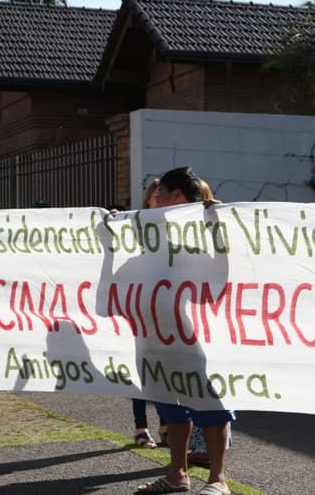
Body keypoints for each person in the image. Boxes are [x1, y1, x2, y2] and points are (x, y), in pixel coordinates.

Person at [136, 167, 234, 495]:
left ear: (177, 195)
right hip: (159, 334)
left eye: (160, 193)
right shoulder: (151, 231)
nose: (155, 199)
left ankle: (217, 480)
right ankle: (177, 475)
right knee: (170, 402)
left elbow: (226, 264)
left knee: (210, 404)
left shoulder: (209, 224)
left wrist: (216, 224)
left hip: (200, 335)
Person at [132, 178, 168, 449]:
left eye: (162, 193)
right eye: (156, 193)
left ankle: (166, 424)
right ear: (147, 199)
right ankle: (141, 427)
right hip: (141, 307)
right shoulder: (136, 225)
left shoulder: (177, 224)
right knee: (141, 371)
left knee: (165, 369)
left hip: (166, 308)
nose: (159, 197)